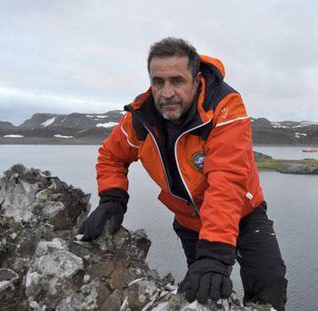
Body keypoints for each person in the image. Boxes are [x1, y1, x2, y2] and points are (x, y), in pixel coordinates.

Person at [79, 37, 287, 310]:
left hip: (243, 212)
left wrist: (214, 253)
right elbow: (111, 157)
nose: (166, 92)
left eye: (177, 81)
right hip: (190, 221)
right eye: (158, 82)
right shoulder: (141, 119)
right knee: (202, 291)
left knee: (269, 284)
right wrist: (112, 198)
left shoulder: (224, 107)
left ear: (196, 79)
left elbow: (226, 180)